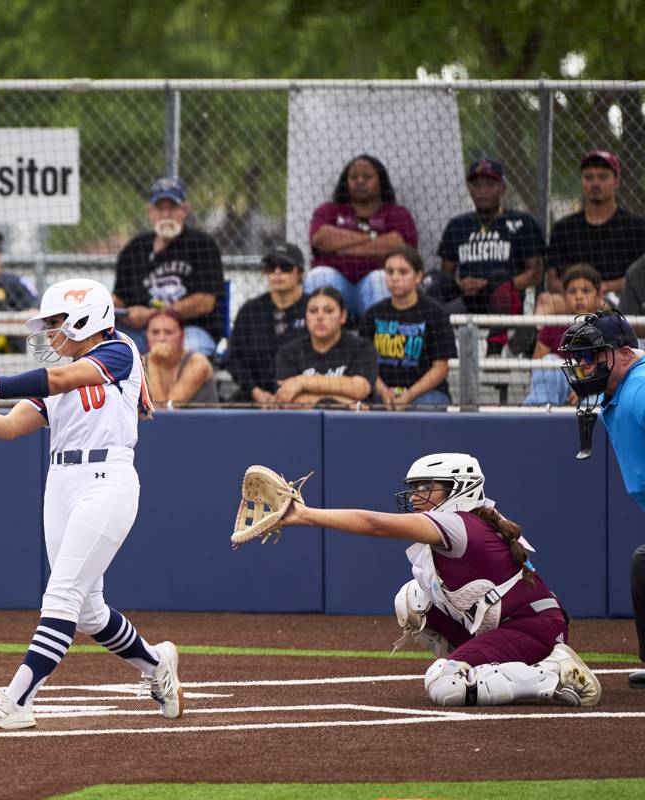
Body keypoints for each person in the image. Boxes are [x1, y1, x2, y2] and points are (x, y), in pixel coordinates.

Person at [0, 278, 182, 731]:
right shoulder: (59, 375)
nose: (49, 334)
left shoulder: (118, 352)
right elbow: (10, 427)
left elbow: (63, 377)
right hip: (62, 482)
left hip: (107, 481)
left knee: (60, 595)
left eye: (57, 323)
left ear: (86, 318)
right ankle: (156, 663)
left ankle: (17, 700)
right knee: (87, 612)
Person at [272, 452, 601, 707]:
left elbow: (373, 523)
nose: (416, 496)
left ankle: (554, 675)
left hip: (534, 630)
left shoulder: (459, 523)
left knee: (445, 686)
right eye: (415, 487)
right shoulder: (469, 519)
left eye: (426, 487)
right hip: (513, 625)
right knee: (412, 600)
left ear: (458, 488)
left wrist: (305, 515)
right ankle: (482, 663)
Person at [557, 311, 645, 689]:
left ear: (623, 353)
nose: (582, 367)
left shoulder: (639, 388)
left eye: (592, 356)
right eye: (578, 358)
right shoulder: (621, 389)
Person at [429, 158, 544, 354]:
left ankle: (494, 348)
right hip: (467, 301)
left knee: (499, 278)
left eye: (490, 185)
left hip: (505, 300)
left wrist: (493, 285)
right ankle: (431, 348)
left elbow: (535, 273)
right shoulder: (458, 224)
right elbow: (446, 273)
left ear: (503, 187)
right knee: (432, 279)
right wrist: (460, 284)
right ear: (469, 189)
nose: (482, 191)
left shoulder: (522, 222)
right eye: (477, 185)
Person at [112, 177, 224, 356]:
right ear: (150, 212)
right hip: (142, 333)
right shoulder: (134, 249)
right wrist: (107, 303)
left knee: (185, 351)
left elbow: (205, 302)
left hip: (189, 330)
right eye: (160, 208)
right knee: (109, 345)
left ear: (184, 210)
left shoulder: (202, 244)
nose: (166, 215)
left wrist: (151, 315)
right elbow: (120, 298)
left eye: (172, 208)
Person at [306, 154, 418, 318]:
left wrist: (341, 247)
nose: (359, 181)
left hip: (374, 287)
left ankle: (380, 340)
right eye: (353, 177)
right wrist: (374, 238)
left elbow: (399, 246)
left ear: (381, 182)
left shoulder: (397, 213)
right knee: (319, 276)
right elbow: (321, 238)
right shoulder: (329, 210)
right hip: (337, 287)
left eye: (367, 176)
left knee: (380, 279)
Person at [358, 247, 456, 408]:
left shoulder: (435, 313)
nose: (395, 278)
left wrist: (408, 396)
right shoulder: (372, 314)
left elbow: (441, 368)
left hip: (425, 393)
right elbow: (365, 364)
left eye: (403, 272)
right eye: (390, 272)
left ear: (418, 276)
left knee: (428, 405)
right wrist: (384, 392)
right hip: (381, 393)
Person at [542, 150, 645, 302]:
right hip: (574, 302)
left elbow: (641, 277)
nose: (595, 183)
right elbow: (552, 282)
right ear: (582, 181)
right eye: (588, 177)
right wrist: (582, 293)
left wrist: (602, 289)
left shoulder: (637, 227)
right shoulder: (563, 228)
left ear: (616, 181)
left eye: (603, 177)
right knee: (545, 301)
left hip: (621, 303)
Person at [226, 242, 308, 404]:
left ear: (299, 272)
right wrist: (256, 392)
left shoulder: (314, 308)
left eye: (285, 267)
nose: (277, 272)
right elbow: (234, 359)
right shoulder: (250, 310)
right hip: (256, 396)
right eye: (271, 267)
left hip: (304, 396)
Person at [273, 286, 377, 408]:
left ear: (343, 316)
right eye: (313, 311)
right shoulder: (288, 352)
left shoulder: (362, 347)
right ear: (306, 317)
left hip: (353, 424)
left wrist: (303, 381)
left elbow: (360, 388)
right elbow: (289, 401)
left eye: (328, 311)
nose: (320, 317)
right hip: (303, 424)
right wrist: (346, 404)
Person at [524, 264, 609, 406]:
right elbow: (536, 369)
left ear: (598, 294)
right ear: (564, 296)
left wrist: (584, 387)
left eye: (586, 291)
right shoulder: (553, 325)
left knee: (597, 397)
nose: (579, 297)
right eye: (572, 292)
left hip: (595, 390)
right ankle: (541, 414)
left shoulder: (608, 326)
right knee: (549, 360)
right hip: (559, 388)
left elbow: (613, 370)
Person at [144, 309, 215, 406]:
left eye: (168, 332)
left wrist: (154, 363)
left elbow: (165, 413)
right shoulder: (139, 363)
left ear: (182, 336)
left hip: (201, 421)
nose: (161, 338)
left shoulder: (198, 363)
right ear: (147, 335)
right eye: (155, 332)